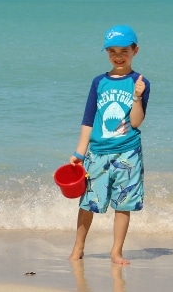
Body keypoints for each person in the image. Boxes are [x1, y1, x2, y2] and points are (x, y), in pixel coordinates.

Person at [68, 25, 151, 265]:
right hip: (98, 153)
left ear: (135, 50)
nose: (118, 55)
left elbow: (136, 122)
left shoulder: (140, 82)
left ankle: (116, 252)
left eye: (124, 50)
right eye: (112, 50)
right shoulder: (98, 82)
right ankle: (78, 247)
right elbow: (88, 119)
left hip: (129, 151)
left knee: (123, 204)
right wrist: (79, 153)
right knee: (88, 202)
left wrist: (137, 96)